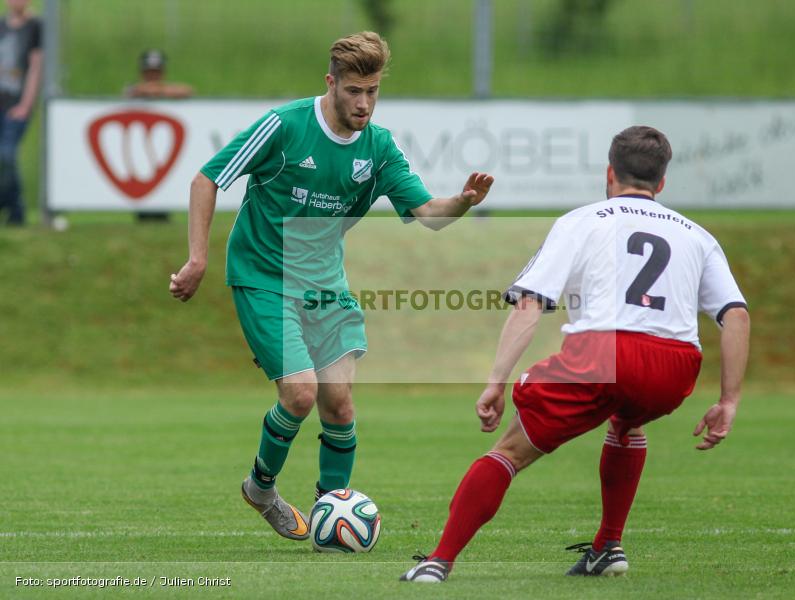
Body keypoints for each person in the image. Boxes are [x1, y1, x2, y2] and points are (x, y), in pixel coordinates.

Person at [168, 32, 493, 542]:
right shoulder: (285, 126)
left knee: (338, 402)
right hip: (263, 276)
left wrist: (462, 202)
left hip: (324, 282)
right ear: (331, 83)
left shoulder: (379, 148)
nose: (363, 103)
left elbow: (428, 214)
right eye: (354, 91)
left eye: (373, 92)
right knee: (300, 394)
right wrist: (197, 258)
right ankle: (261, 489)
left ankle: (330, 511)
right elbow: (207, 179)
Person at [400, 126, 750, 582]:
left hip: (604, 353)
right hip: (675, 365)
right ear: (661, 182)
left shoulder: (582, 221)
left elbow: (530, 305)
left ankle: (438, 561)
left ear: (609, 173)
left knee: (509, 450)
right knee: (627, 423)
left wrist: (496, 381)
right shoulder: (697, 235)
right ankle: (608, 546)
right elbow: (736, 316)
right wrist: (729, 400)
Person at [126, 49, 192, 223]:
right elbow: (131, 91)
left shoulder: (166, 91)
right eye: (150, 72)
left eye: (157, 71)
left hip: (163, 144)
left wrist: (158, 91)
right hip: (140, 144)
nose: (153, 76)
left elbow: (187, 91)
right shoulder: (135, 91)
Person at [0, 0, 41, 226]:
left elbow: (36, 67)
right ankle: (14, 210)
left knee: (7, 155)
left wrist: (26, 104)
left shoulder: (35, 27)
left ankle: (14, 209)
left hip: (16, 105)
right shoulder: (1, 26)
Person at [125, 49, 193, 99]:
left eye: (156, 72)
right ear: (142, 73)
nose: (152, 75)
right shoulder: (132, 88)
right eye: (149, 72)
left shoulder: (167, 88)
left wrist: (159, 90)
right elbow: (133, 91)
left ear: (163, 73)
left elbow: (188, 90)